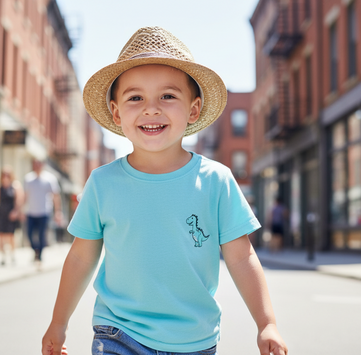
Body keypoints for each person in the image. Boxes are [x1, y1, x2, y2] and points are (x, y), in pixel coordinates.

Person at [42, 27, 288, 355]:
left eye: (168, 96)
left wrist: (266, 322)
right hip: (118, 332)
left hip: (194, 340)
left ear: (194, 109)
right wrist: (59, 323)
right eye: (135, 98)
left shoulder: (216, 180)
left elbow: (242, 257)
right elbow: (80, 257)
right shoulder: (102, 183)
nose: (151, 108)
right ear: (116, 112)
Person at [24, 159, 63, 267]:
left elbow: (56, 196)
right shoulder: (28, 178)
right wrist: (21, 210)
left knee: (42, 235)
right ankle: (35, 250)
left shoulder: (50, 179)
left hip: (44, 212)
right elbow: (25, 196)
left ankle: (39, 255)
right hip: (30, 211)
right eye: (35, 164)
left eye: (39, 164)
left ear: (43, 165)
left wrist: (58, 212)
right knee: (29, 234)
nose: (37, 166)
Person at [0, 166, 23, 266]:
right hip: (1, 214)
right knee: (0, 235)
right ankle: (3, 256)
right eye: (4, 174)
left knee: (10, 236)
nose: (5, 176)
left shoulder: (15, 186)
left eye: (8, 174)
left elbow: (19, 200)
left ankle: (12, 255)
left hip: (11, 214)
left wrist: (16, 212)